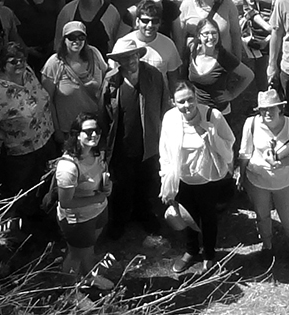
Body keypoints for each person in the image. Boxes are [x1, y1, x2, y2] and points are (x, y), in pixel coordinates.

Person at [0, 43, 56, 206]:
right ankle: (26, 221)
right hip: (19, 153)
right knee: (24, 190)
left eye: (22, 60)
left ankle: (44, 208)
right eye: (13, 61)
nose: (19, 64)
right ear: (4, 65)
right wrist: (2, 136)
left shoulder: (28, 74)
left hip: (43, 140)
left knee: (45, 180)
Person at [159, 82, 236, 275]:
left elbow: (229, 144)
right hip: (183, 179)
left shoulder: (213, 116)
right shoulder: (170, 119)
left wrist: (209, 133)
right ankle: (191, 251)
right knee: (187, 217)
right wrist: (166, 182)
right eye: (181, 101)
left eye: (190, 99)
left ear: (196, 97)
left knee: (208, 218)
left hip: (208, 179)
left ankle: (209, 255)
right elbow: (165, 151)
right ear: (173, 102)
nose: (187, 105)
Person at [100, 35, 167, 239]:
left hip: (149, 143)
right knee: (121, 185)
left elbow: (165, 105)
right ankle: (119, 221)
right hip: (121, 145)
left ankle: (145, 215)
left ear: (138, 55)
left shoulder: (153, 75)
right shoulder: (111, 80)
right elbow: (103, 114)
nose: (129, 61)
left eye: (133, 56)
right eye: (124, 58)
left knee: (147, 182)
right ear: (118, 61)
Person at [237, 89, 289, 266]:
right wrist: (242, 176)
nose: (267, 112)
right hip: (257, 180)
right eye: (263, 109)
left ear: (280, 108)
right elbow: (244, 152)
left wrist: (280, 164)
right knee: (262, 215)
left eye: (272, 108)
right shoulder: (251, 124)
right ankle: (267, 247)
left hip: (284, 181)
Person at [54, 113, 112, 281]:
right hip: (78, 219)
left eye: (97, 130)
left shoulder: (98, 153)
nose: (93, 134)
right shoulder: (68, 166)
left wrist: (108, 185)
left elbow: (102, 176)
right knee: (75, 255)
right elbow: (66, 202)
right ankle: (68, 292)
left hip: (98, 212)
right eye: (88, 131)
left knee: (88, 249)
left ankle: (88, 277)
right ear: (76, 134)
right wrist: (97, 199)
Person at [43, 22, 110, 142]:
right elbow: (47, 100)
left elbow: (107, 77)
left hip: (95, 127)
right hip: (69, 130)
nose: (76, 41)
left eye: (81, 37)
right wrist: (57, 131)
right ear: (64, 39)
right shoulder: (54, 63)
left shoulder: (94, 53)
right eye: (71, 37)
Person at [177, 0, 247, 60]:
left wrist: (238, 60)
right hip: (195, 64)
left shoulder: (227, 4)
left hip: (223, 61)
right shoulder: (186, 5)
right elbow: (180, 38)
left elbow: (236, 34)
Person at [186, 19, 253, 114]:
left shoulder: (224, 57)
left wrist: (232, 94)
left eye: (214, 33)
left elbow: (249, 75)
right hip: (197, 111)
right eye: (206, 33)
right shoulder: (193, 50)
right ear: (198, 35)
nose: (210, 37)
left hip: (219, 113)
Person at [53, 0, 126, 55]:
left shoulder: (112, 11)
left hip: (103, 61)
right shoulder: (67, 11)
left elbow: (116, 40)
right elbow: (58, 40)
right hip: (73, 60)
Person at [120, 0, 185, 87]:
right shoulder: (123, 43)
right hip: (130, 96)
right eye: (145, 21)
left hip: (158, 97)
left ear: (160, 23)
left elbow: (173, 79)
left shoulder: (168, 45)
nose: (150, 25)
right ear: (137, 21)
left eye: (155, 21)